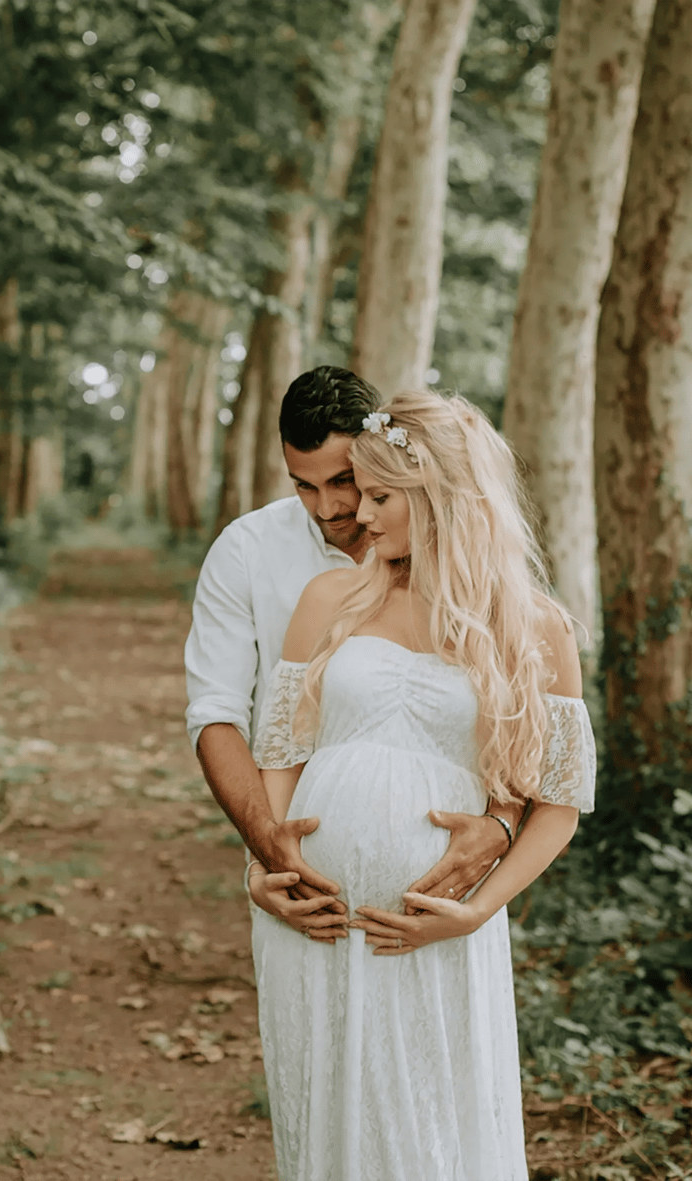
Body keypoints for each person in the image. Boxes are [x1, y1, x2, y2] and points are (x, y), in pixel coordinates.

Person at [246, 390, 596, 1181]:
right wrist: (263, 868)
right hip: (318, 921)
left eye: (378, 496)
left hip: (432, 931)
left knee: (429, 1134)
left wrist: (474, 911)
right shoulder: (329, 599)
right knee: (327, 1132)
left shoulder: (535, 626)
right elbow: (282, 756)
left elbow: (560, 805)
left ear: (439, 496)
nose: (357, 516)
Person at [185, 367, 523, 937]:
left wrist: (503, 823)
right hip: (302, 882)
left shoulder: (464, 574)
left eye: (345, 480)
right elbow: (216, 715)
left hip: (439, 897)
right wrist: (266, 850)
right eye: (303, 485)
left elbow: (516, 714)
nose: (329, 508)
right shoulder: (245, 551)